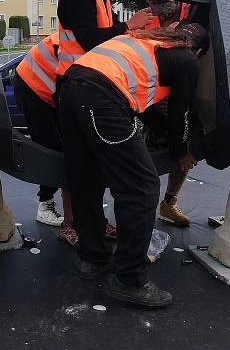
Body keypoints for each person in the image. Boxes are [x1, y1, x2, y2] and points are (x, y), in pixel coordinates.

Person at [58, 24, 210, 307]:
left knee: (86, 178)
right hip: (100, 96)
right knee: (142, 187)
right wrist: (181, 151)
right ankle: (129, 279)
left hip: (70, 87)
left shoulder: (146, 39)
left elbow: (142, 101)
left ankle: (94, 259)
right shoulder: (187, 58)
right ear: (199, 50)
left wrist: (158, 128)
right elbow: (181, 111)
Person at [54, 0, 153, 243]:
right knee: (83, 167)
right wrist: (127, 27)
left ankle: (93, 234)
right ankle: (79, 228)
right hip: (80, 85)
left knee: (89, 168)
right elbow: (89, 40)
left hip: (82, 84)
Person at [144, 0, 195, 227]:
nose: (148, 2)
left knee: (183, 151)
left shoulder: (188, 18)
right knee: (142, 159)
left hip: (176, 91)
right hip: (147, 96)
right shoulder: (145, 19)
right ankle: (140, 212)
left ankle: (169, 203)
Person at [13, 31, 68, 227]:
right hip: (32, 87)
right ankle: (45, 205)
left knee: (63, 144)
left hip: (40, 86)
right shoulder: (76, 45)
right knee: (52, 147)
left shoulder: (83, 38)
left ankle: (54, 200)